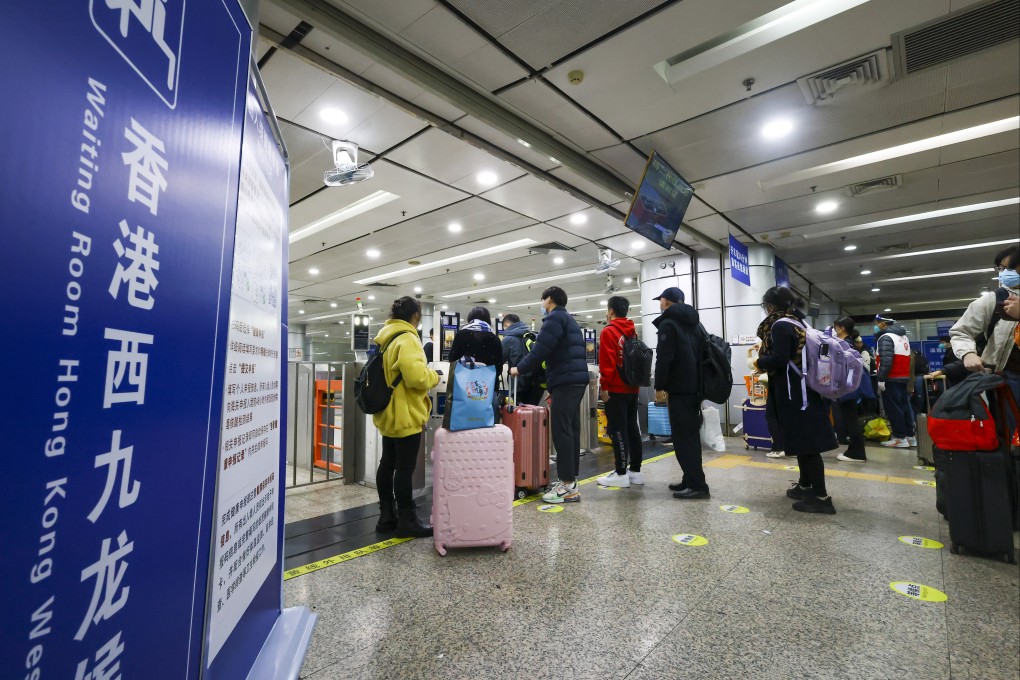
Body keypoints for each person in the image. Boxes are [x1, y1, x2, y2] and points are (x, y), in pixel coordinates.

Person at [752, 286, 838, 514]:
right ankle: (805, 485)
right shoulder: (799, 323)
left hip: (797, 394)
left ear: (770, 306)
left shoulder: (780, 325)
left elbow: (780, 359)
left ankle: (821, 497)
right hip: (806, 390)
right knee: (802, 442)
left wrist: (760, 363)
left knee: (808, 445)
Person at [511, 286, 589, 503]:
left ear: (550, 299)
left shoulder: (554, 319)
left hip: (567, 381)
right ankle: (570, 481)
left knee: (562, 431)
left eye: (543, 299)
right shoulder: (568, 319)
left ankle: (567, 486)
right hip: (573, 380)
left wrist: (519, 369)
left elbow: (540, 351)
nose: (542, 304)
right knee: (570, 430)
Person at [373, 296, 440, 538]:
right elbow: (417, 378)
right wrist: (434, 376)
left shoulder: (385, 336)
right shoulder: (408, 338)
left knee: (387, 463)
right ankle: (407, 520)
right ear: (415, 316)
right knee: (404, 468)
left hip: (387, 412)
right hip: (406, 413)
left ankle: (386, 516)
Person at [651, 287, 709, 500]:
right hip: (695, 387)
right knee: (691, 436)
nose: (660, 304)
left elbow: (665, 358)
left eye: (661, 300)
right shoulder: (695, 323)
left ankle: (698, 485)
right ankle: (690, 478)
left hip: (679, 388)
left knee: (683, 438)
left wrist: (660, 386)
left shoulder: (668, 323)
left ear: (665, 301)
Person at [949, 244, 1020, 411]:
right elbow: (961, 331)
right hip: (1007, 378)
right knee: (1009, 430)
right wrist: (967, 353)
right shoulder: (994, 299)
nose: (1003, 273)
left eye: (1010, 267)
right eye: (1001, 268)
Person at [596, 296, 644, 488]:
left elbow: (607, 361)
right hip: (633, 387)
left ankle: (621, 473)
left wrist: (604, 385)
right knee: (633, 428)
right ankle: (636, 472)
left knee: (617, 430)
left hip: (615, 387)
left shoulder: (608, 331)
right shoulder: (632, 331)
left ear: (611, 311)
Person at [448, 307, 504, 423]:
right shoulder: (494, 339)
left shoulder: (461, 335)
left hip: (464, 388)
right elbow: (498, 368)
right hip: (488, 389)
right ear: (488, 320)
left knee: (463, 422)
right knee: (487, 422)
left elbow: (452, 359)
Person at [873, 314, 916, 449]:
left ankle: (899, 437)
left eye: (877, 323)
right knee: (905, 407)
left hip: (891, 378)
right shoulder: (903, 337)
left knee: (893, 408)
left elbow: (886, 360)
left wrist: (881, 378)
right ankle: (910, 436)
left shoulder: (885, 337)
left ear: (883, 324)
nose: (876, 326)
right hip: (903, 377)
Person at [832, 318, 868, 462]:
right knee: (850, 419)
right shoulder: (850, 343)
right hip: (850, 386)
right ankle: (854, 450)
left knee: (850, 420)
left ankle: (857, 453)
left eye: (835, 328)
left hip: (846, 387)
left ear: (841, 328)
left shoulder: (843, 344)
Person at [501, 314, 543, 405]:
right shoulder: (533, 336)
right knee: (532, 414)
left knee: (518, 415)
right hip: (536, 383)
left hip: (518, 383)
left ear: (507, 324)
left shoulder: (508, 339)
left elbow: (499, 360)